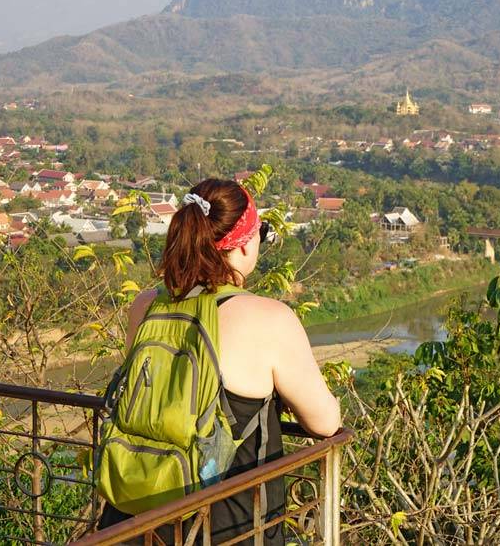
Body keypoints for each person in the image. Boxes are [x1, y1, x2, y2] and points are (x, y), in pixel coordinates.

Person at [99, 178, 341, 544]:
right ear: (244, 244)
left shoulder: (146, 305)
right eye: (261, 233)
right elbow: (325, 423)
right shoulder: (268, 319)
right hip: (229, 527)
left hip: (133, 522)